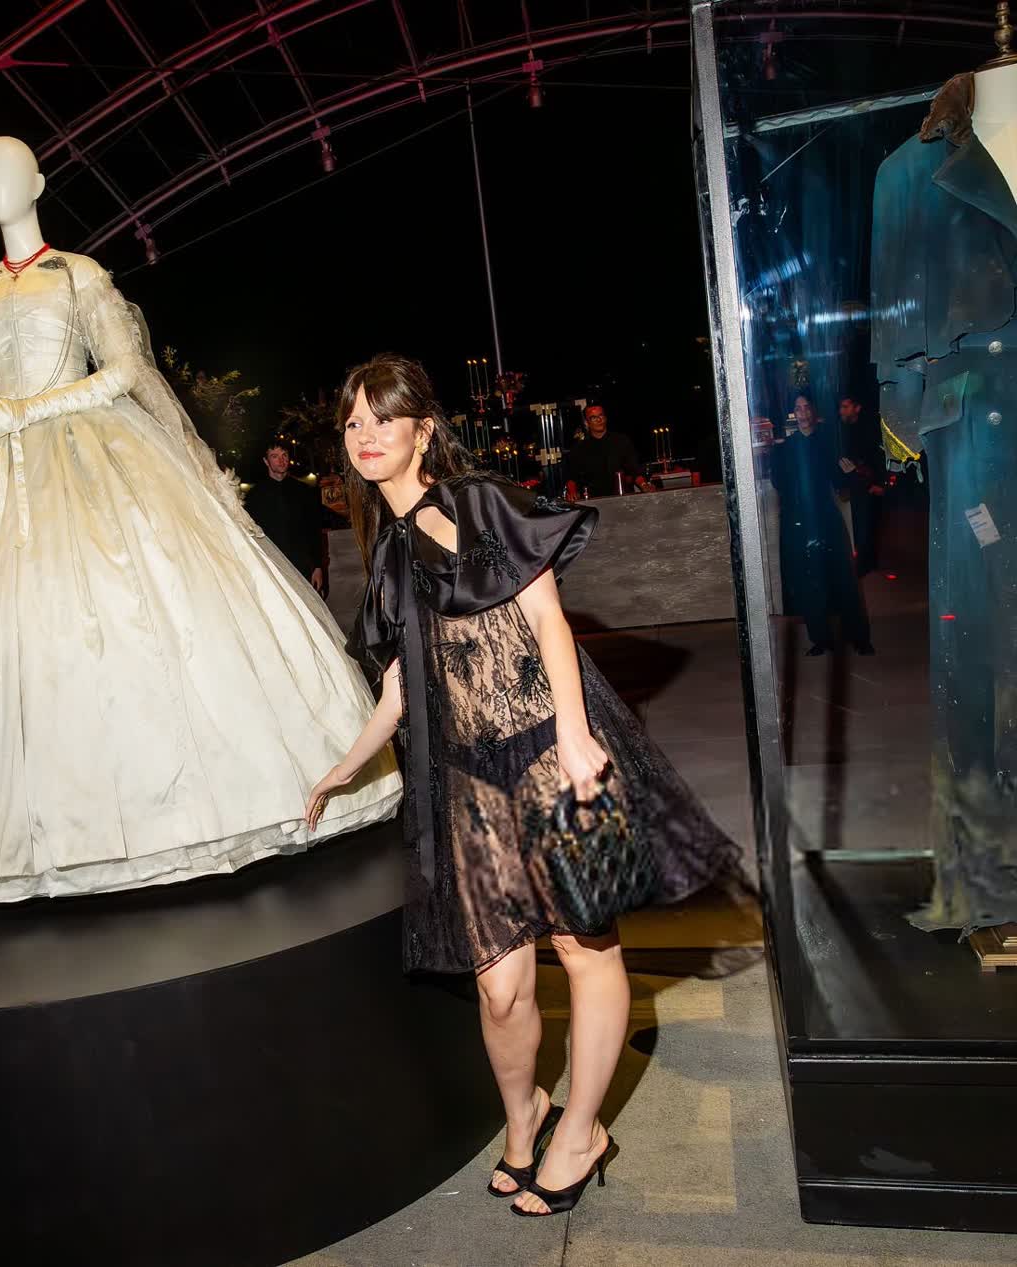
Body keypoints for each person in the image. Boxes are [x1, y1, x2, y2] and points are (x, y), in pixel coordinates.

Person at [0, 135, 400, 902]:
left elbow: (122, 369)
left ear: (38, 182)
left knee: (135, 609)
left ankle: (190, 812)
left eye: (10, 172)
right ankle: (3, 836)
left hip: (90, 453)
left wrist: (30, 408)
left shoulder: (80, 275)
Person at [306, 355, 738, 1218]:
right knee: (500, 986)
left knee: (585, 949)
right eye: (353, 422)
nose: (366, 435)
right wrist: (343, 767)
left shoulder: (479, 503)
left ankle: (581, 1129)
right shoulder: (387, 552)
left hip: (546, 753)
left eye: (384, 418)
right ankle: (523, 1117)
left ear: (424, 429)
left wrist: (576, 734)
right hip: (467, 783)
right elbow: (398, 691)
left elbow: (546, 617)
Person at [771, 395, 873, 655]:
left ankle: (858, 637)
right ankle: (821, 639)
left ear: (813, 411)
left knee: (843, 578)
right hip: (798, 521)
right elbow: (778, 483)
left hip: (826, 517)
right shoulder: (785, 448)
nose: (803, 413)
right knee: (809, 581)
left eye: (807, 407)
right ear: (793, 413)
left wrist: (851, 474)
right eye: (798, 408)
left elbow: (841, 484)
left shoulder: (829, 443)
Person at [243, 440, 327, 591]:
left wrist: (317, 566)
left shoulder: (304, 491)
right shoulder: (254, 496)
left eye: (284, 455)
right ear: (266, 461)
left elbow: (313, 531)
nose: (281, 460)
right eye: (274, 456)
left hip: (302, 566)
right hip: (272, 567)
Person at [836, 395, 886, 575]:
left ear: (856, 408)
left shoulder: (868, 430)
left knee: (865, 526)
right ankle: (864, 563)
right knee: (858, 525)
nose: (842, 411)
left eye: (846, 406)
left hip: (866, 485)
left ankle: (865, 564)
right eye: (841, 407)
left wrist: (879, 483)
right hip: (854, 485)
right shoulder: (843, 431)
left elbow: (877, 457)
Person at [564, 405, 647, 497]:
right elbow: (572, 477)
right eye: (593, 417)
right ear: (586, 423)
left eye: (601, 415)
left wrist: (644, 485)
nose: (599, 420)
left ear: (605, 418)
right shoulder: (579, 448)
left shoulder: (621, 441)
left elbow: (635, 470)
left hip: (623, 498)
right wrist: (572, 491)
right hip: (594, 500)